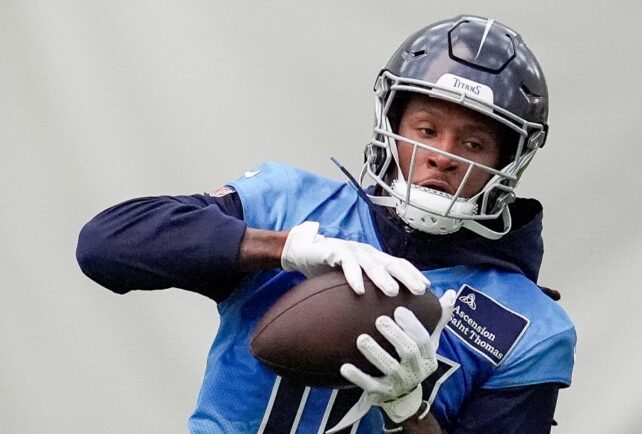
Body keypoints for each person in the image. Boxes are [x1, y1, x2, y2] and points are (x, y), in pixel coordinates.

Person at [76, 15, 576, 434]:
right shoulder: (289, 204)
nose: (441, 157)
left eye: (472, 145)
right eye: (426, 129)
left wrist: (411, 411)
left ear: (509, 161)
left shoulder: (531, 327)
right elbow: (104, 246)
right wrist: (284, 248)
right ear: (391, 126)